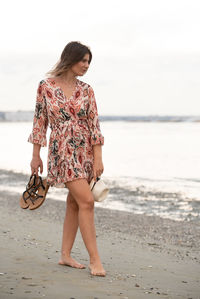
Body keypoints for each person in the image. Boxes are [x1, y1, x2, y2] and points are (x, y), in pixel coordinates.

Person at [27, 41, 106, 277]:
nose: (86, 65)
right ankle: (95, 260)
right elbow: (40, 122)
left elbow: (94, 125)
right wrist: (35, 156)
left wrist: (98, 158)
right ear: (69, 59)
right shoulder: (46, 87)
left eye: (88, 61)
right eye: (82, 60)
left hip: (85, 152)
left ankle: (65, 255)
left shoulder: (87, 90)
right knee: (87, 202)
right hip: (61, 151)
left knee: (74, 203)